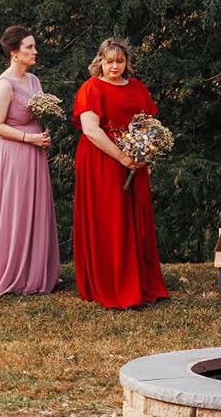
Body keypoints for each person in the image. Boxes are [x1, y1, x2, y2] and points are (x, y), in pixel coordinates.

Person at [72, 37, 169, 309]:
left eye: (120, 61)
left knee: (135, 217)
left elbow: (149, 123)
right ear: (100, 62)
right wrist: (122, 157)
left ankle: (140, 282)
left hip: (133, 159)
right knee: (110, 218)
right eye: (109, 61)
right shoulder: (91, 88)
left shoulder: (136, 87)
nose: (114, 67)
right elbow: (91, 130)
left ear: (127, 63)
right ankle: (113, 284)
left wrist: (144, 151)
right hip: (101, 159)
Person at [0, 26, 60, 296]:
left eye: (33, 46)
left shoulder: (33, 81)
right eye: (29, 47)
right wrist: (28, 138)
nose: (34, 51)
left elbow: (39, 113)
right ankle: (11, 272)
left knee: (35, 206)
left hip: (35, 150)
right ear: (14, 52)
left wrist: (43, 134)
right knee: (16, 209)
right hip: (14, 152)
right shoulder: (5, 84)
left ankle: (36, 270)